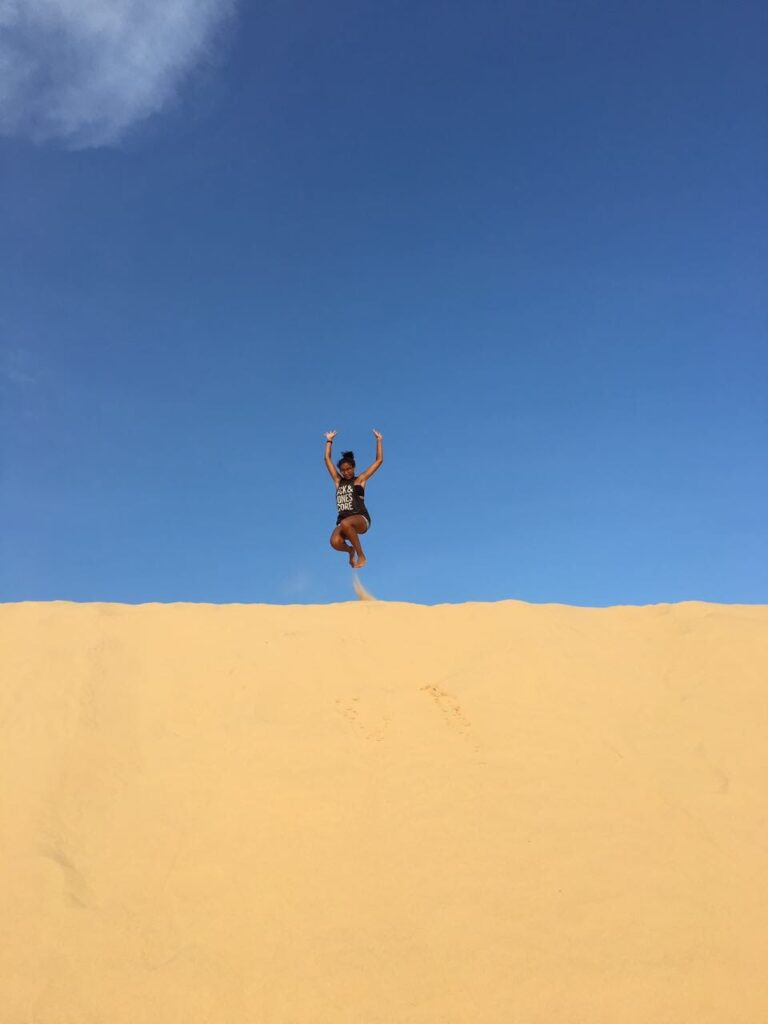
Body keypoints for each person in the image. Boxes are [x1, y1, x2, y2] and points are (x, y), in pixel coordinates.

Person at [324, 429, 383, 569]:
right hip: (344, 521)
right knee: (334, 542)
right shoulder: (338, 482)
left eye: (349, 469)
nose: (346, 472)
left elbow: (379, 460)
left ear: (354, 467)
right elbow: (327, 459)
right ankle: (350, 550)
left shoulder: (360, 480)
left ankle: (361, 556)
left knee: (345, 523)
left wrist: (379, 441)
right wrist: (329, 440)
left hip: (361, 518)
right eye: (343, 470)